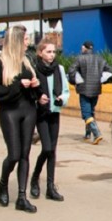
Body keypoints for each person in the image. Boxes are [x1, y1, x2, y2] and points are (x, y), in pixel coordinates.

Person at [0, 25, 42, 213]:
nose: (28, 43)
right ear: (17, 41)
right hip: (10, 111)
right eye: (25, 39)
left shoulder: (27, 61)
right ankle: (3, 184)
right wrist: (18, 85)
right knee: (14, 155)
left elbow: (35, 88)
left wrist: (36, 87)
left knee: (25, 154)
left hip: (29, 110)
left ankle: (21, 196)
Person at [31, 39, 70, 201]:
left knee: (52, 151)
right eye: (48, 51)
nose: (52, 55)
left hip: (54, 112)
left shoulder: (59, 69)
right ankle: (35, 177)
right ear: (40, 53)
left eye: (54, 52)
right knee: (46, 148)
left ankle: (50, 187)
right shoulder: (34, 70)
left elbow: (66, 90)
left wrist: (62, 98)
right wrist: (38, 99)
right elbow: (30, 93)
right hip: (41, 114)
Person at [68, 40, 112, 144]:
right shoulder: (100, 59)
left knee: (86, 114)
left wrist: (75, 81)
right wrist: (100, 80)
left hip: (84, 90)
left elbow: (71, 71)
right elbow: (109, 70)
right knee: (91, 111)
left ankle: (97, 134)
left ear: (84, 48)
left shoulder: (80, 58)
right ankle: (88, 134)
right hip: (96, 90)